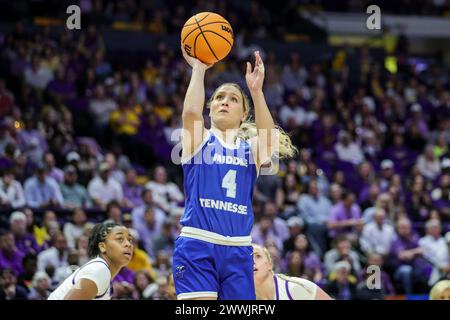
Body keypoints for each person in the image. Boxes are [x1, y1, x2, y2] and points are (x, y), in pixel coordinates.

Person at [173, 47, 296, 300]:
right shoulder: (200, 140)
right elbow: (190, 113)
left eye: (233, 99)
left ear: (244, 115)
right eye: (218, 98)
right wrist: (198, 69)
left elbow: (268, 139)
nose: (224, 102)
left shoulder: (249, 150)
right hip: (198, 243)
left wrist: (256, 92)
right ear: (210, 109)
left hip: (239, 249)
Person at [47, 222, 133, 300]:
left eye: (130, 240)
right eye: (120, 239)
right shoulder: (99, 270)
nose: (128, 244)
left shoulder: (102, 271)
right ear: (102, 247)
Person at [253, 244, 331, 300]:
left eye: (258, 256)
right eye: (245, 259)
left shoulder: (296, 287)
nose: (252, 262)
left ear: (270, 264)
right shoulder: (243, 294)